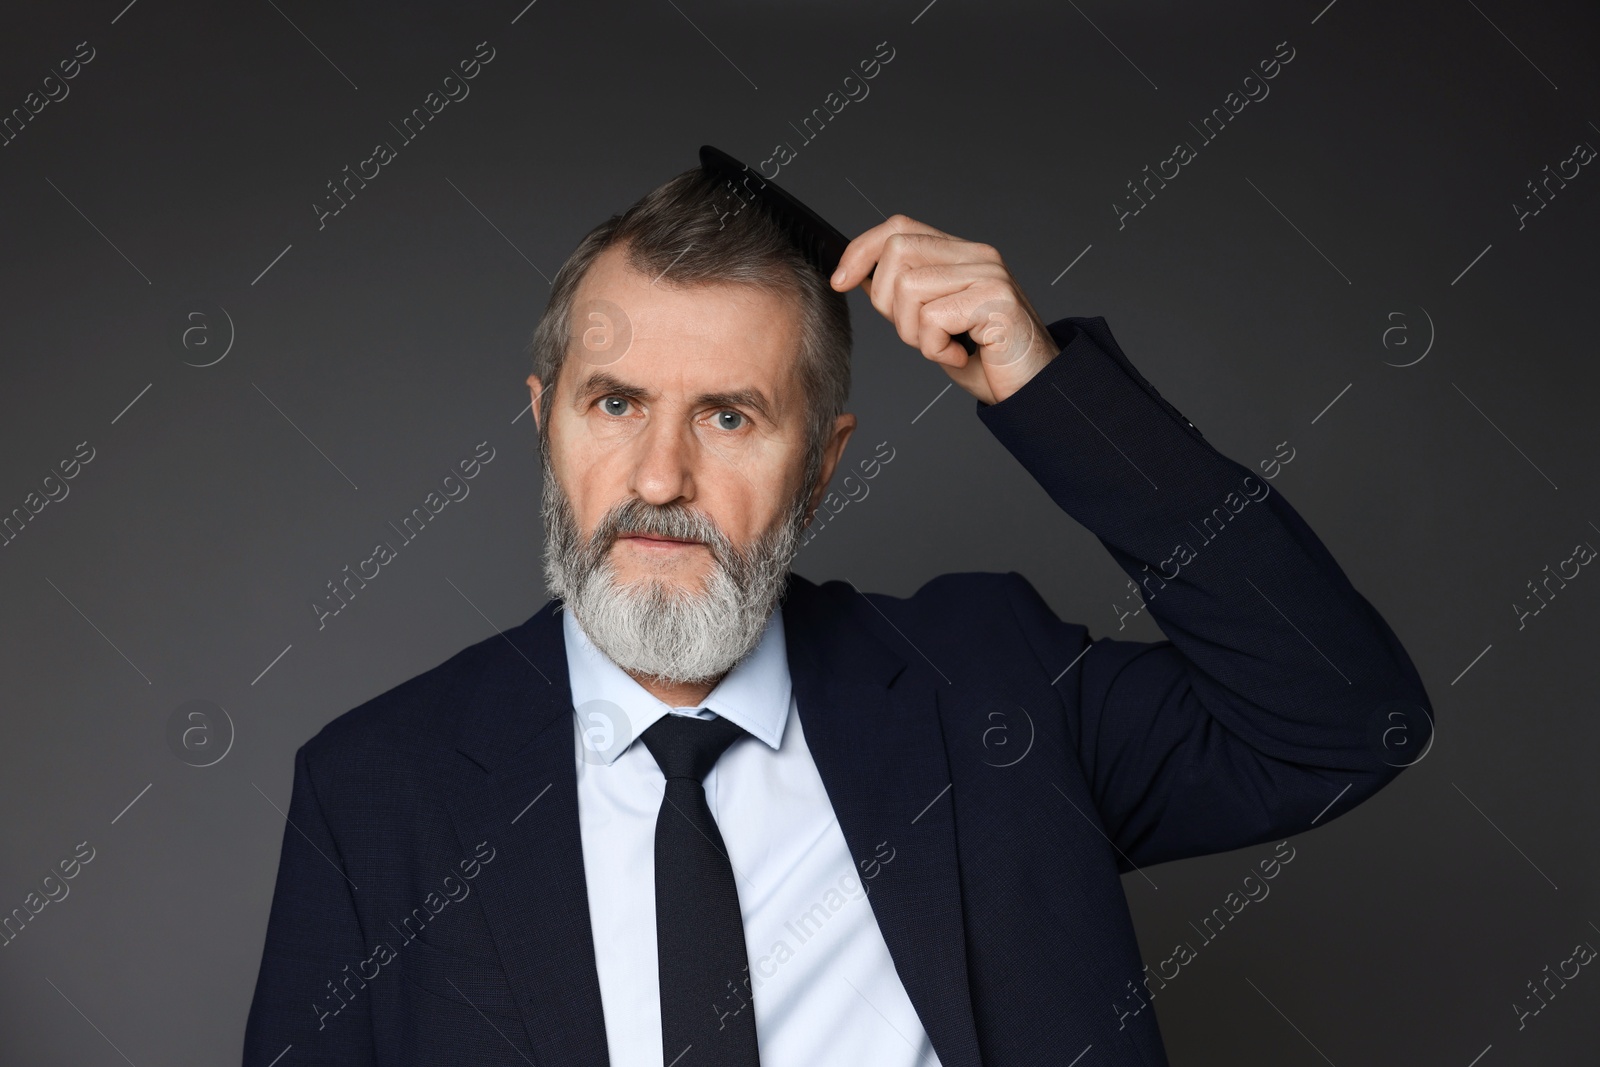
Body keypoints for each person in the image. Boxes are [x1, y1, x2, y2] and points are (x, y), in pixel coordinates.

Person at [242, 165, 1432, 1067]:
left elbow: (1340, 719)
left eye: (728, 417)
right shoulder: (376, 789)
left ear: (820, 464)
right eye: (615, 403)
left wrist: (1043, 387)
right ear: (546, 421)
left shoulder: (992, 692)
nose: (659, 476)